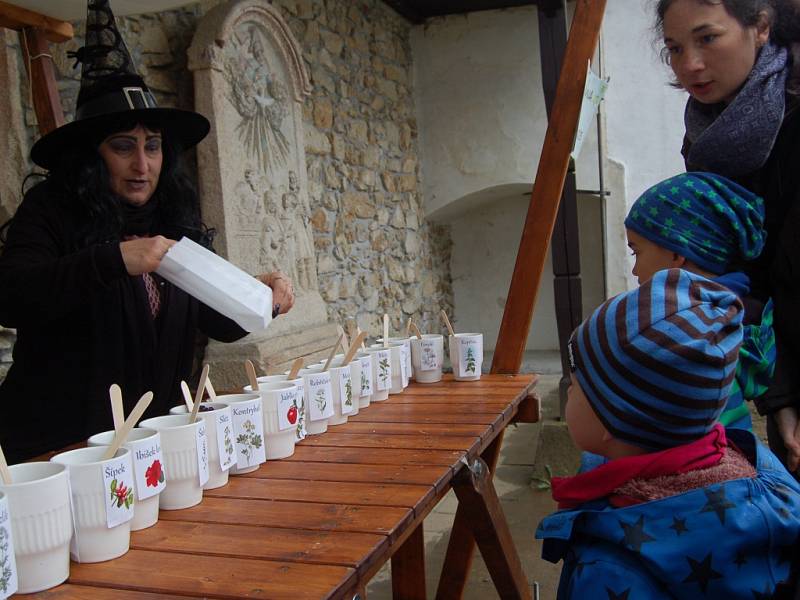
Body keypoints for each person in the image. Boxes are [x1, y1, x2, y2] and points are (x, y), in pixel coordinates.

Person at [0, 0, 294, 462]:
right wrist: (115, 259)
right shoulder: (52, 209)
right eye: (123, 147)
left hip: (151, 444)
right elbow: (12, 296)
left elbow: (214, 320)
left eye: (152, 146)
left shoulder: (173, 217)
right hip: (57, 448)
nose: (142, 165)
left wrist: (258, 296)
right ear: (91, 156)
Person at [536, 268, 800, 598]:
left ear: (614, 418)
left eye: (575, 386)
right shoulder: (768, 481)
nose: (568, 394)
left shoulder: (612, 567)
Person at [656, 0, 800, 471]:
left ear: (759, 27)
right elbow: (742, 267)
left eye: (708, 38)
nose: (689, 64)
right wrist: (779, 393)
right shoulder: (708, 133)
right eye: (675, 47)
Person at [625, 171, 774, 430]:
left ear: (676, 252)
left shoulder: (684, 331)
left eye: (636, 251)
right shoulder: (743, 317)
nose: (634, 270)